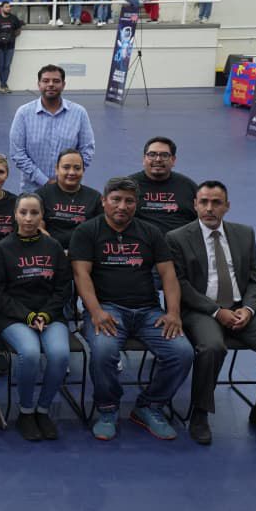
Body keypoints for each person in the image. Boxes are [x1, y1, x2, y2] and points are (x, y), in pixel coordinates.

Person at [165, 181, 256, 445]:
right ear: (195, 205)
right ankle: (200, 413)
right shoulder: (177, 238)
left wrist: (248, 309)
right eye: (204, 202)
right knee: (212, 348)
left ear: (227, 206)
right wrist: (217, 312)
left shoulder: (244, 233)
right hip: (201, 310)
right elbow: (179, 284)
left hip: (241, 308)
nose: (209, 208)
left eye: (216, 203)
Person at [70, 176, 194, 441]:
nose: (122, 206)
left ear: (136, 204)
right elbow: (81, 275)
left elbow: (168, 275)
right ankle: (107, 409)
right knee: (103, 352)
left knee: (182, 352)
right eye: (116, 200)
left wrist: (173, 313)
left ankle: (150, 406)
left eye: (129, 201)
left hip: (149, 311)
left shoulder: (151, 232)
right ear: (104, 201)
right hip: (107, 310)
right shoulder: (87, 232)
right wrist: (95, 312)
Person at [0, 193, 72, 441]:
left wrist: (45, 314)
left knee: (60, 354)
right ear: (15, 215)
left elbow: (63, 288)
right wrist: (28, 316)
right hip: (13, 317)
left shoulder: (53, 247)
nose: (28, 218)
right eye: (23, 212)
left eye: (34, 213)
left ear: (42, 216)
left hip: (49, 315)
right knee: (31, 352)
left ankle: (42, 410)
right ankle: (26, 411)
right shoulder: (4, 248)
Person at [9, 64, 96, 192]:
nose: (51, 84)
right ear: (39, 84)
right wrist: (44, 181)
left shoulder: (79, 113)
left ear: (63, 85)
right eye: (46, 81)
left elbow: (87, 149)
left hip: (70, 188)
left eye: (56, 81)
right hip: (33, 190)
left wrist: (68, 176)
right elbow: (17, 153)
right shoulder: (23, 113)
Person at [37, 148, 102, 251]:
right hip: (49, 251)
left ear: (83, 170)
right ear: (57, 169)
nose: (72, 172)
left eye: (77, 168)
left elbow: (101, 231)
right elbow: (37, 227)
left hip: (84, 253)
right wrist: (53, 248)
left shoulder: (95, 198)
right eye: (66, 167)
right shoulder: (41, 195)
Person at [131, 136, 198, 234]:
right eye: (152, 155)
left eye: (164, 155)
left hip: (179, 242)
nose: (158, 159)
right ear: (144, 159)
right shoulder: (128, 186)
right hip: (141, 241)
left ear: (173, 160)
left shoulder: (189, 187)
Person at [0, 1, 23, 94]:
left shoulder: (14, 18)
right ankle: (3, 85)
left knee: (7, 65)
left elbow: (19, 29)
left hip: (10, 46)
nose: (8, 8)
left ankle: (3, 85)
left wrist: (11, 37)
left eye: (9, 7)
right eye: (6, 7)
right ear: (2, 8)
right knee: (0, 65)